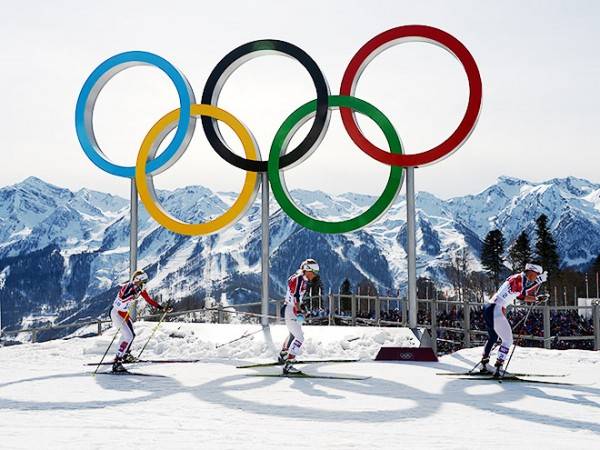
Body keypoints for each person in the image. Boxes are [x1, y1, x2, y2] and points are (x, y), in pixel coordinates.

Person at [480, 263, 548, 377]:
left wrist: (537, 292)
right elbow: (522, 296)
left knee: (493, 337)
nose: (536, 277)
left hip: (490, 307)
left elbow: (523, 292)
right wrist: (537, 290)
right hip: (496, 309)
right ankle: (498, 366)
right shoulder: (518, 279)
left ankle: (484, 364)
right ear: (531, 272)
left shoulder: (519, 278)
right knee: (508, 340)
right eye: (536, 275)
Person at [110, 269, 170, 373]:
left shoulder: (138, 289)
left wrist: (161, 308)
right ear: (138, 280)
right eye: (144, 282)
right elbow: (122, 298)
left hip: (124, 314)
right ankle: (117, 362)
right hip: (116, 313)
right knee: (128, 336)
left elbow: (149, 300)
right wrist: (132, 295)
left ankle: (125, 355)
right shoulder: (128, 286)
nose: (145, 284)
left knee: (131, 335)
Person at [278, 258, 320, 375]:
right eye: (314, 272)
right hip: (290, 309)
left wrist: (301, 309)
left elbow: (296, 297)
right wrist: (299, 311)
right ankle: (289, 364)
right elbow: (295, 297)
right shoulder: (299, 279)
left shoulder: (300, 278)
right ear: (307, 270)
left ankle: (284, 354)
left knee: (293, 334)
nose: (315, 275)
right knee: (300, 337)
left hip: (290, 308)